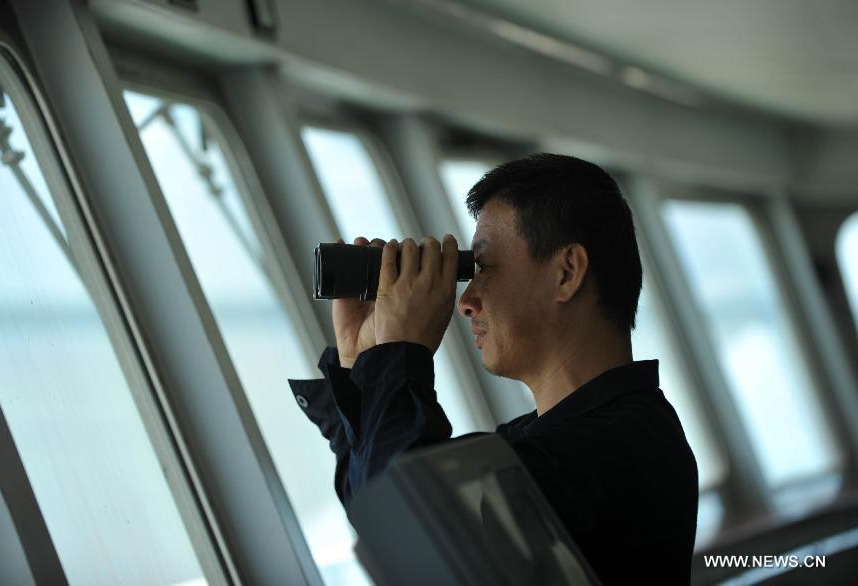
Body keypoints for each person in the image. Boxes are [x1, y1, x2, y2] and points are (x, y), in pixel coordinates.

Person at [288, 153, 698, 585]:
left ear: (566, 272)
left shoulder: (609, 450)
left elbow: (420, 555)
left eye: (482, 269)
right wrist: (361, 365)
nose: (466, 301)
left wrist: (398, 355)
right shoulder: (553, 438)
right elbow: (382, 510)